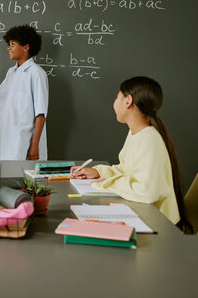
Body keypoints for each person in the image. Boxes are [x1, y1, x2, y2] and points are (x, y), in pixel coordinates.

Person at [71, 76, 190, 230]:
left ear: (128, 101)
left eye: (117, 97)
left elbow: (147, 192)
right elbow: (127, 170)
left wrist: (107, 184)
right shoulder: (137, 133)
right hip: (146, 217)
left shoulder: (149, 138)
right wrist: (98, 172)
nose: (114, 102)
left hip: (158, 224)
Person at [0, 24, 48, 161]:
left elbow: (40, 113)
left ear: (26, 47)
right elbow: (3, 102)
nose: (9, 48)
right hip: (7, 140)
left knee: (24, 179)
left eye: (13, 44)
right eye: (9, 44)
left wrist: (34, 145)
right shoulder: (11, 72)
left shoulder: (36, 73)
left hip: (24, 142)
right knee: (7, 176)